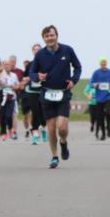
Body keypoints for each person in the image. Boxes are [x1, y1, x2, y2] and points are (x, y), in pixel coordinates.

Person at [28, 25, 82, 169]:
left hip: (63, 93)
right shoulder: (40, 55)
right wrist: (37, 76)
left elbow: (78, 67)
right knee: (51, 129)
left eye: (51, 35)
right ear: (44, 39)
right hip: (46, 93)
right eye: (46, 36)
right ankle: (54, 156)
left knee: (62, 127)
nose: (49, 38)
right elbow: (32, 73)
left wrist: (73, 80)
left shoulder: (67, 50)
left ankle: (63, 142)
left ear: (56, 35)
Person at [19, 44, 44, 145]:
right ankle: (35, 133)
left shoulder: (46, 63)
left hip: (43, 91)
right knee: (35, 111)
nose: (37, 51)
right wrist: (26, 79)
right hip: (32, 91)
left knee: (43, 112)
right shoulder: (30, 65)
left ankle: (43, 127)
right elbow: (24, 77)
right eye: (35, 49)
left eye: (39, 49)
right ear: (32, 51)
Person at [90, 57, 110, 140]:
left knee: (108, 111)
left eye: (105, 64)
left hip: (108, 96)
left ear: (106, 64)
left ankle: (108, 127)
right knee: (100, 117)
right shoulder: (96, 73)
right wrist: (94, 85)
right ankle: (103, 134)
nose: (103, 66)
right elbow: (91, 83)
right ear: (100, 64)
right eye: (102, 64)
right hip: (99, 98)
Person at [0, 57, 22, 141]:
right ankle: (3, 133)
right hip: (1, 98)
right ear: (3, 66)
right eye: (5, 65)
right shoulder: (0, 74)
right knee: (2, 116)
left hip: (11, 98)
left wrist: (15, 87)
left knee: (9, 115)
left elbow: (18, 85)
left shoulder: (14, 75)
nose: (7, 66)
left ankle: (11, 129)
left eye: (8, 65)